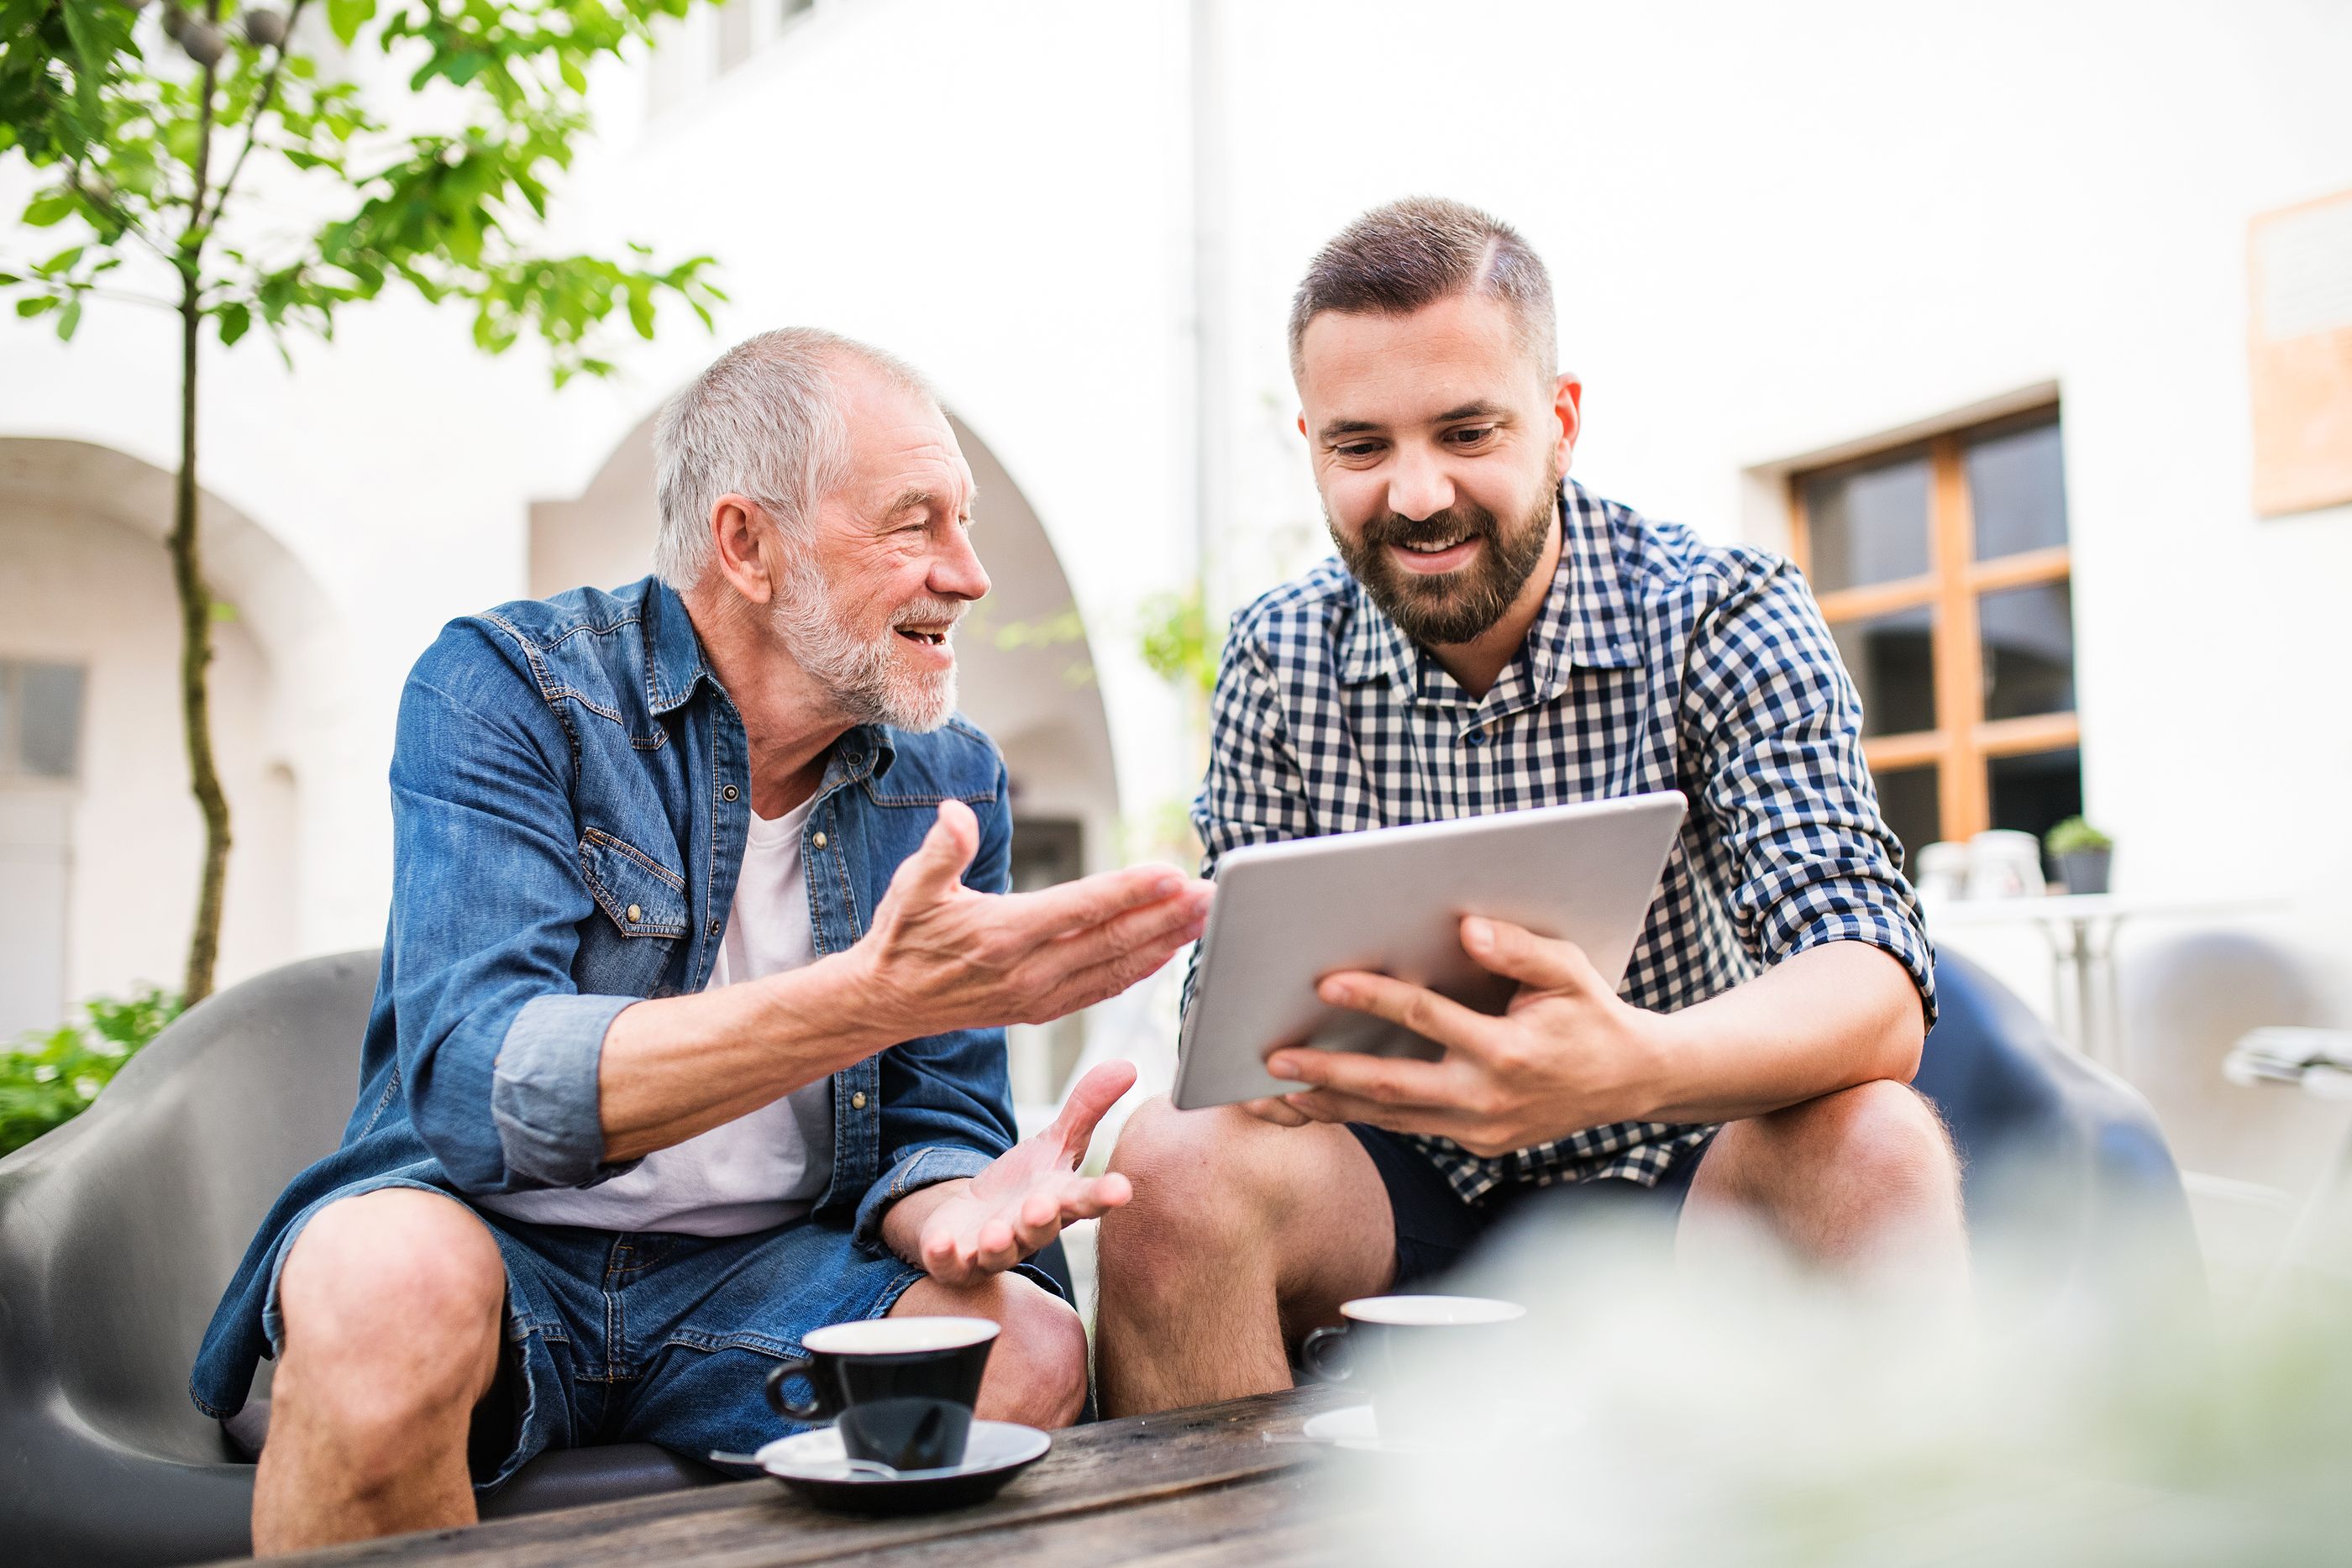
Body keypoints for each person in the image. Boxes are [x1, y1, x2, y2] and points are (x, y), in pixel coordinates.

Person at [189, 328, 1212, 1553]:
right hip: (495, 1243)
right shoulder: (507, 689)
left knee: (1016, 1347)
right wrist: (864, 998)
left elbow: (937, 1116)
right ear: (747, 544)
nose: (970, 572)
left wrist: (948, 1204)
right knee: (378, 1289)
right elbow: (478, 1081)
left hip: (770, 1278)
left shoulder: (950, 780)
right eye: (915, 523)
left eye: (967, 522)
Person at [1092, 197, 1966, 1418]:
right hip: (1394, 1186)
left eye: (1465, 430)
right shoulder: (1276, 656)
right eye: (1360, 448)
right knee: (1173, 1166)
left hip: (1683, 1159)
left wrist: (1627, 1065)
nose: (1413, 494)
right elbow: (1231, 1026)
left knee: (1877, 1140)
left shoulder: (1720, 610)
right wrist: (1277, 1055)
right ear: (1311, 446)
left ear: (1558, 421)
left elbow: (1870, 979)